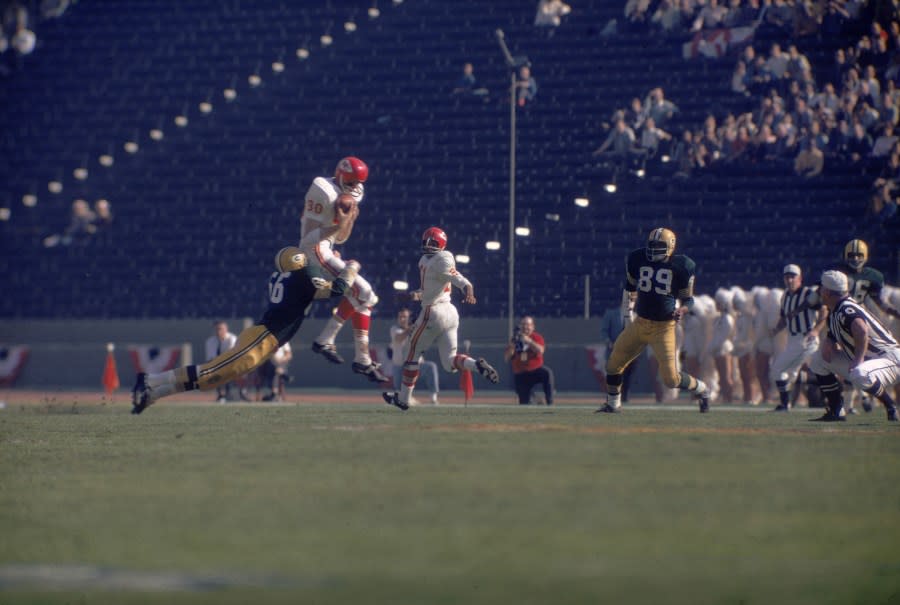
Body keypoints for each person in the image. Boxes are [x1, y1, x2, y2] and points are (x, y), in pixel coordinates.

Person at [131, 245, 360, 414]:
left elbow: (312, 281)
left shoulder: (289, 277)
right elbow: (335, 290)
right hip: (261, 338)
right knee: (210, 372)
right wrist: (350, 268)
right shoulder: (301, 279)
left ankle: (154, 394)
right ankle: (149, 379)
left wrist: (325, 265)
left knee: (212, 380)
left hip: (265, 338)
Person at [382, 227, 500, 411]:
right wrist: (411, 296)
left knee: (411, 353)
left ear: (442, 244)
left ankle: (404, 399)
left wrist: (467, 286)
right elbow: (427, 291)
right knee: (449, 362)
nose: (428, 246)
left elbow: (455, 276)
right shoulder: (426, 260)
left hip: (434, 311)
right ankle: (477, 365)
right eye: (426, 242)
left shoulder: (442, 258)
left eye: (433, 243)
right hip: (451, 313)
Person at [597, 227, 711, 413]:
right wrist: (628, 316)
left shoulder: (682, 266)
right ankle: (613, 404)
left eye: (659, 245)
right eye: (651, 245)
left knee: (671, 379)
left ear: (671, 246)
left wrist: (682, 309)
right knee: (613, 365)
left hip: (663, 327)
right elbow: (629, 288)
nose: (653, 249)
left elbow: (689, 300)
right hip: (640, 322)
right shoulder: (637, 258)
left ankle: (703, 389)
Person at [302, 157, 388, 384]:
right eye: (349, 182)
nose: (353, 187)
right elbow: (308, 236)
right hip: (313, 248)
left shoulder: (354, 193)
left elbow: (341, 237)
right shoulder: (322, 188)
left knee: (365, 297)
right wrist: (339, 223)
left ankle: (358, 357)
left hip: (327, 248)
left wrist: (346, 219)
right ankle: (335, 345)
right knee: (366, 293)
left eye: (355, 183)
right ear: (339, 175)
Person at [807, 271, 899, 422]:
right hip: (874, 362)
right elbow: (834, 338)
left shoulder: (845, 308)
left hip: (890, 359)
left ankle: (891, 407)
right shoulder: (836, 310)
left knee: (859, 373)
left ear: (828, 292)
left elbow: (861, 330)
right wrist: (829, 344)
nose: (819, 291)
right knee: (818, 360)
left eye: (821, 288)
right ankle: (837, 410)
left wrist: (858, 359)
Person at [769, 264, 828, 412]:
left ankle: (784, 405)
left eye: (792, 277)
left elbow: (824, 312)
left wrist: (815, 330)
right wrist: (776, 329)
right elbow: (784, 318)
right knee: (791, 375)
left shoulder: (808, 294)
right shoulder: (785, 296)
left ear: (800, 278)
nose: (789, 280)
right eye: (787, 277)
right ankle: (828, 381)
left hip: (805, 339)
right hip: (792, 339)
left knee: (777, 369)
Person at [389, 307, 440, 405]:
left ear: (409, 318)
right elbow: (399, 338)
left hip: (416, 365)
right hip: (400, 367)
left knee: (431, 366)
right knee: (399, 393)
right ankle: (407, 398)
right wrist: (412, 327)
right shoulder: (394, 329)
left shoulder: (416, 331)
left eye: (404, 317)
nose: (402, 319)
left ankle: (433, 397)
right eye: (400, 317)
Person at [504, 316, 554, 406]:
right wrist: (512, 345)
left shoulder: (536, 337)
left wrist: (529, 341)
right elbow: (507, 358)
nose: (525, 327)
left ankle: (550, 401)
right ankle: (536, 399)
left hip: (535, 371)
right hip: (521, 374)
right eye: (523, 324)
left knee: (547, 373)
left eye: (528, 325)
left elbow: (540, 350)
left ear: (532, 327)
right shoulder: (515, 339)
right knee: (524, 403)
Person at [205, 320, 238, 403]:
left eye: (221, 329)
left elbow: (232, 357)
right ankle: (221, 395)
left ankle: (228, 393)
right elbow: (211, 359)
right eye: (217, 329)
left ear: (226, 329)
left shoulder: (232, 339)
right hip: (219, 365)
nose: (219, 331)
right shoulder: (210, 341)